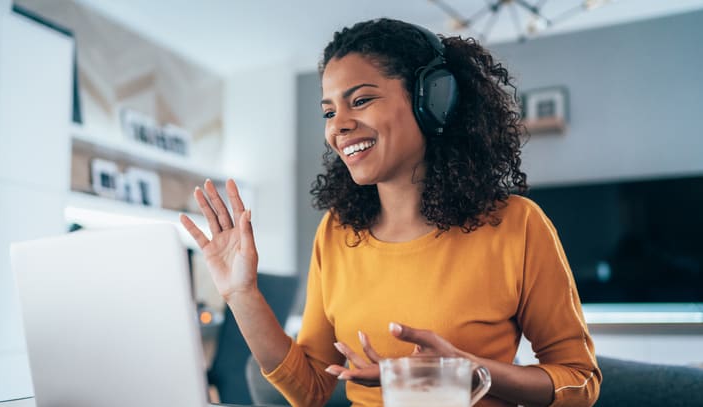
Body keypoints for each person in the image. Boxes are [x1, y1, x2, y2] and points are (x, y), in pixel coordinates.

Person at [180, 18, 601, 407]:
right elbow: (309, 389)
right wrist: (242, 294)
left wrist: (470, 371)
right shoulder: (337, 232)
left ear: (433, 100)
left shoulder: (517, 225)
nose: (337, 126)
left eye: (360, 100)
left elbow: (580, 380)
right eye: (329, 111)